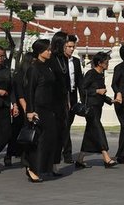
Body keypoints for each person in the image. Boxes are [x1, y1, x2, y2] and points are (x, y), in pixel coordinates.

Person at [24, 39, 65, 183]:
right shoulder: (34, 68)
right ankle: (33, 169)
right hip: (38, 108)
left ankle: (44, 168)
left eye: (50, 49)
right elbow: (29, 90)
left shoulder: (48, 66)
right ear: (40, 51)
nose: (50, 52)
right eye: (47, 50)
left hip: (49, 108)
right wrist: (30, 111)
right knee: (39, 140)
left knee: (50, 139)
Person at [75, 52, 115, 169]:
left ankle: (80, 159)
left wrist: (110, 100)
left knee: (90, 132)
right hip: (90, 108)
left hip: (98, 107)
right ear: (99, 63)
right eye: (106, 62)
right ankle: (106, 156)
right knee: (98, 129)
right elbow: (83, 89)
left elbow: (101, 93)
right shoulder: (91, 73)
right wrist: (96, 91)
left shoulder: (101, 74)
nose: (108, 64)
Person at [53, 33, 82, 164]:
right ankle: (64, 153)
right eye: (69, 46)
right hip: (60, 97)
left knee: (67, 125)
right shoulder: (57, 60)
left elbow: (80, 81)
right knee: (62, 126)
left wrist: (82, 99)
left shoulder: (76, 61)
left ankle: (65, 152)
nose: (71, 49)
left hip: (72, 96)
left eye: (73, 47)